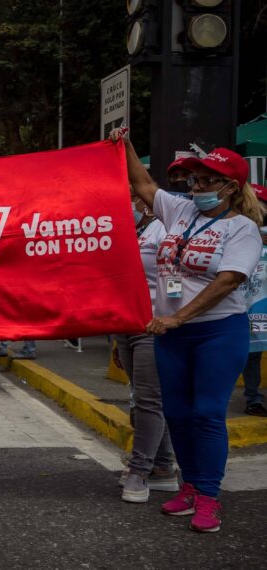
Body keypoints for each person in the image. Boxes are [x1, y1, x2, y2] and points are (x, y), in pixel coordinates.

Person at [116, 129, 262, 534]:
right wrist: (125, 145)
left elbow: (229, 280)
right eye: (194, 179)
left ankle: (210, 497)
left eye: (207, 181)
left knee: (207, 414)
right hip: (172, 337)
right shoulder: (181, 211)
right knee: (177, 414)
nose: (196, 187)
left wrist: (178, 317)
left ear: (230, 188)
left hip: (217, 334)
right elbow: (144, 185)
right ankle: (191, 486)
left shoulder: (242, 229)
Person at [114, 183, 178, 504]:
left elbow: (175, 277)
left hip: (154, 326)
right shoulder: (133, 231)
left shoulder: (164, 230)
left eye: (128, 197)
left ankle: (139, 472)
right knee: (144, 397)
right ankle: (163, 468)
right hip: (127, 325)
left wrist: (172, 316)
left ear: (142, 200)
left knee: (147, 401)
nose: (126, 203)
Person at [241, 183, 267, 417]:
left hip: (261, 304)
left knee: (256, 351)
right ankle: (253, 399)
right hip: (243, 306)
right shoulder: (234, 230)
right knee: (251, 353)